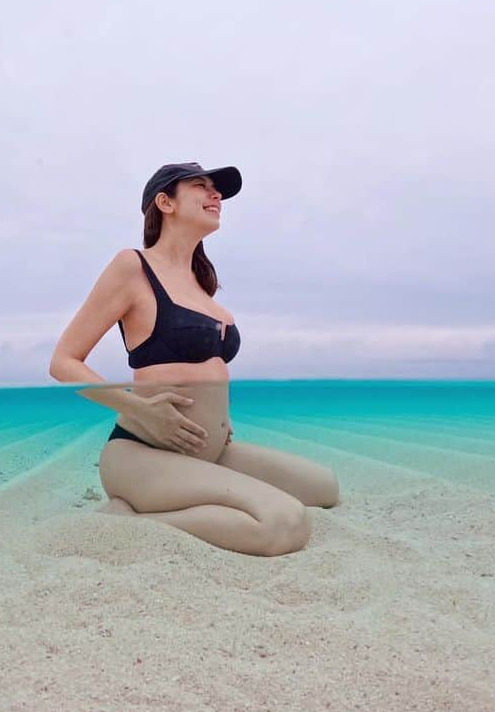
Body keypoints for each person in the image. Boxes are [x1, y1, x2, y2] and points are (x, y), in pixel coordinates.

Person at [49, 162, 340, 556]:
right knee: (283, 523)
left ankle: (189, 496)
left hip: (209, 449)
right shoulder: (133, 266)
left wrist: (219, 418)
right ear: (165, 202)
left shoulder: (201, 285)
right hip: (142, 455)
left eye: (216, 190)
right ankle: (125, 522)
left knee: (325, 490)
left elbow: (202, 370)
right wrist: (142, 409)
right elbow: (64, 362)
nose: (216, 195)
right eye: (201, 187)